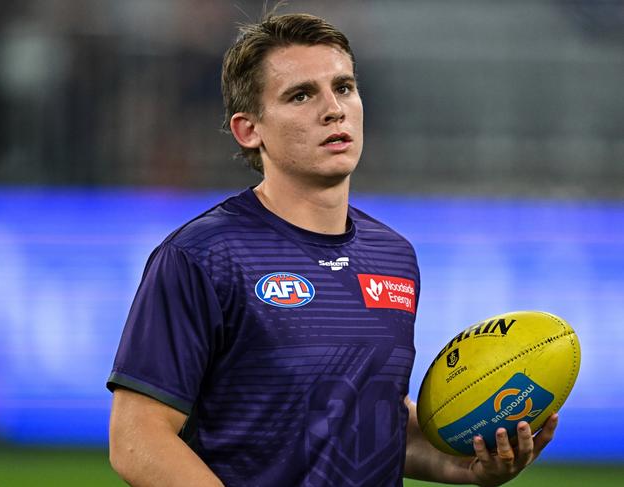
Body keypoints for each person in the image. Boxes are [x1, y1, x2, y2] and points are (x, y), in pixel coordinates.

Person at [107, 11, 558, 487]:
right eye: (301, 95)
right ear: (248, 130)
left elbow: (370, 421)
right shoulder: (203, 256)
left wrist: (466, 467)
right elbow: (137, 440)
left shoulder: (394, 256)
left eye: (343, 88)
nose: (334, 109)